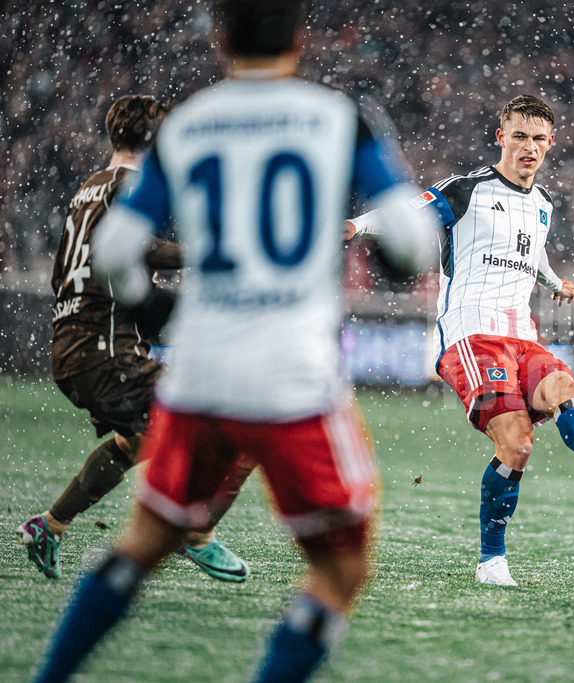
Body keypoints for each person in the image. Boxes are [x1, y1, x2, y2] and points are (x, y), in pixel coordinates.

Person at [31, 0, 438, 680]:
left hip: (200, 373)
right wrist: (392, 256)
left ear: (220, 39)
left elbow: (116, 250)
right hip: (291, 376)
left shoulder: (187, 127)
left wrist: (153, 310)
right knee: (341, 568)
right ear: (300, 39)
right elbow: (413, 243)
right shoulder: (341, 119)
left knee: (144, 540)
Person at [347, 94, 574, 587]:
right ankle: (491, 560)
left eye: (539, 138)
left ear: (551, 143)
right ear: (501, 138)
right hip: (472, 335)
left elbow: (532, 254)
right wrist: (355, 226)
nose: (529, 147)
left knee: (567, 389)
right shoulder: (466, 190)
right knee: (517, 443)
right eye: (519, 136)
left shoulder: (543, 205)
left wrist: (554, 282)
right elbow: (405, 214)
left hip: (522, 335)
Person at [18, 94, 252, 583]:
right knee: (238, 419)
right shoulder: (131, 185)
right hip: (106, 351)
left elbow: (71, 274)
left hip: (75, 346)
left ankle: (50, 525)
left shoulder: (89, 188)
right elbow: (142, 250)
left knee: (136, 440)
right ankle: (196, 533)